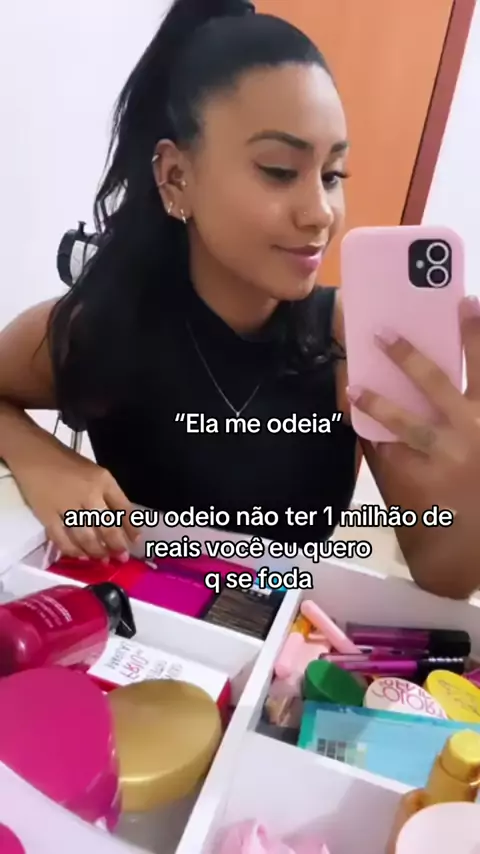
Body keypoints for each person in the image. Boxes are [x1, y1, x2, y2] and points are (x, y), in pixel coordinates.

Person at [1, 0, 480, 600]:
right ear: (176, 177)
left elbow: (442, 576)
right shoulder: (103, 325)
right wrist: (44, 459)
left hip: (281, 638)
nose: (320, 213)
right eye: (280, 170)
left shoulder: (347, 338)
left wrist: (471, 499)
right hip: (126, 627)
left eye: (332, 175)